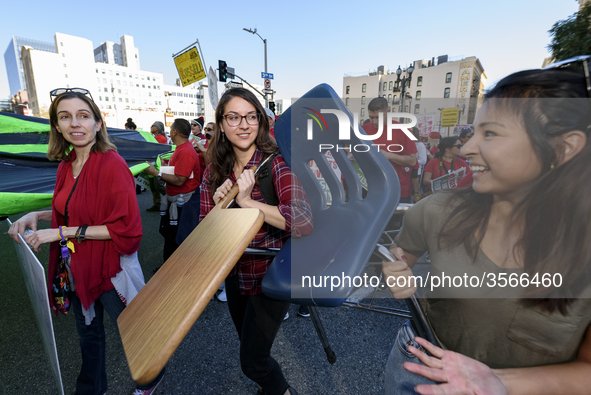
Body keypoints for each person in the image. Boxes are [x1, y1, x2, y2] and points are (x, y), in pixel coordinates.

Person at [383, 60, 591, 394]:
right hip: (419, 368)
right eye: (472, 133)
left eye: (490, 133)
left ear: (563, 149)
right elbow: (400, 254)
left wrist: (500, 383)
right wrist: (395, 267)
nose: (466, 148)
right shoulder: (437, 210)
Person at [7, 88, 164, 395]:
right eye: (65, 117)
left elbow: (127, 229)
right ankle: (91, 389)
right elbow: (70, 206)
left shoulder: (112, 164)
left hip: (110, 269)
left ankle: (150, 381)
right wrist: (36, 216)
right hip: (76, 265)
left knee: (137, 332)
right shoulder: (66, 165)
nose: (74, 124)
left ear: (98, 123)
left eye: (83, 116)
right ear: (57, 126)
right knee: (88, 335)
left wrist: (63, 232)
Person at [200, 87, 313, 395]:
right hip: (236, 276)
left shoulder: (275, 164)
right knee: (252, 350)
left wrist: (249, 202)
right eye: (234, 117)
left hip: (273, 275)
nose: (244, 124)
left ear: (261, 122)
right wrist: (219, 206)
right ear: (221, 124)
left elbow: (303, 220)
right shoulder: (213, 171)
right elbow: (204, 236)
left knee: (252, 362)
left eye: (251, 116)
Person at [144, 118, 202, 263]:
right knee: (171, 237)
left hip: (184, 203)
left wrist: (156, 173)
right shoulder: (182, 149)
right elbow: (179, 173)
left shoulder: (185, 151)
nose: (170, 132)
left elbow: (180, 180)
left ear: (175, 132)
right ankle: (169, 269)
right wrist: (164, 167)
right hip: (177, 200)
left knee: (178, 239)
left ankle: (174, 272)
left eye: (171, 130)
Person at [363, 97, 417, 203]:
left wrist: (388, 155)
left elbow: (412, 161)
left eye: (378, 117)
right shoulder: (363, 129)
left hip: (396, 188)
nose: (374, 121)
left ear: (388, 111)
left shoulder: (402, 130)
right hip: (369, 187)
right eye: (371, 117)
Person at [410, 126, 428, 202]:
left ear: (414, 133)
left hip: (416, 173)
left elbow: (423, 160)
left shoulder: (420, 145)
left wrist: (410, 161)